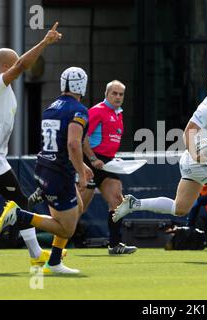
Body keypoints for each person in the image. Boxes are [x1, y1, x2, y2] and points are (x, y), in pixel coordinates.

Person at [113, 74, 207, 254]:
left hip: (192, 162)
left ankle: (135, 204)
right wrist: (196, 155)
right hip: (198, 162)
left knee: (180, 208)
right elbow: (187, 132)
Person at [0, 22, 62, 266]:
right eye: (17, 62)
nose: (22, 65)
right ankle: (37, 255)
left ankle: (36, 255)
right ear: (6, 66)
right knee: (22, 203)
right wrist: (44, 42)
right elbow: (21, 66)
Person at [0, 66, 93, 274]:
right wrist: (81, 174)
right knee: (67, 227)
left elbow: (57, 143)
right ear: (82, 85)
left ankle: (55, 262)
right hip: (59, 172)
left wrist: (80, 165)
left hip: (45, 166)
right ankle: (20, 215)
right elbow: (73, 144)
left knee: (79, 208)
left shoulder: (51, 107)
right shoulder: (78, 110)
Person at [81, 80, 137, 255]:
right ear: (106, 94)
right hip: (90, 163)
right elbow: (82, 138)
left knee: (117, 201)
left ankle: (115, 245)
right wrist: (92, 158)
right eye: (114, 93)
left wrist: (112, 158)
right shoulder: (97, 111)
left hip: (106, 164)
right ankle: (56, 244)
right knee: (78, 208)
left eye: (121, 94)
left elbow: (107, 140)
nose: (118, 97)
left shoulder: (118, 114)